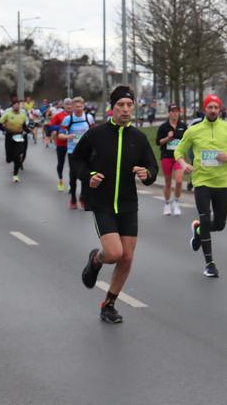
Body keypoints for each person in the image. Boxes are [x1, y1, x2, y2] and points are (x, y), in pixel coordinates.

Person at [75, 85, 158, 324]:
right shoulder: (96, 134)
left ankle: (108, 304)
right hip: (101, 202)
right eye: (120, 105)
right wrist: (88, 175)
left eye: (129, 105)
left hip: (128, 204)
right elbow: (78, 159)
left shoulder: (139, 138)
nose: (125, 109)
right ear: (112, 108)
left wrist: (147, 174)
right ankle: (96, 260)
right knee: (113, 253)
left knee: (127, 258)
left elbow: (152, 167)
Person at [174, 94, 227, 278]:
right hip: (202, 181)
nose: (213, 110)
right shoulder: (194, 130)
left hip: (221, 182)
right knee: (205, 219)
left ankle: (198, 231)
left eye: (216, 107)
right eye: (209, 107)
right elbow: (179, 151)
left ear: (220, 109)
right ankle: (210, 264)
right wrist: (184, 165)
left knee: (219, 224)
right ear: (204, 109)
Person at [58, 97, 95, 210]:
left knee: (85, 176)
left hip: (86, 151)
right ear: (72, 107)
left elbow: (94, 132)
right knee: (73, 176)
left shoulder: (89, 118)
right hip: (72, 151)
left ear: (83, 106)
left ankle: (82, 198)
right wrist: (69, 136)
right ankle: (73, 198)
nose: (78, 109)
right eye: (76, 107)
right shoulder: (68, 119)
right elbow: (60, 135)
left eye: (80, 106)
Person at [156, 104, 187, 216]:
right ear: (169, 113)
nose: (175, 114)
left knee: (179, 181)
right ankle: (167, 204)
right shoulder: (163, 127)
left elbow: (188, 141)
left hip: (179, 157)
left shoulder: (183, 126)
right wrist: (167, 138)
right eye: (173, 111)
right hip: (167, 156)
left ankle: (176, 202)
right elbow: (158, 142)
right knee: (168, 181)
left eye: (177, 111)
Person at [0, 98, 29, 182]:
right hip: (9, 137)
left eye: (18, 105)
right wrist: (6, 130)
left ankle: (15, 175)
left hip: (19, 137)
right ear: (12, 106)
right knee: (9, 159)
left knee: (17, 155)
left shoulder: (22, 115)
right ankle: (9, 158)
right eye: (15, 105)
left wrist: (27, 130)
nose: (17, 106)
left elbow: (25, 126)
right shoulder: (7, 114)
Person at [48, 98, 73, 191]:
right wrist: (61, 127)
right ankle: (60, 180)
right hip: (61, 142)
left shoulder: (76, 116)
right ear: (64, 106)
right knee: (61, 163)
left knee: (72, 164)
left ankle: (71, 183)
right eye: (67, 104)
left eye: (71, 104)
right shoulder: (59, 115)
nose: (69, 106)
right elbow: (50, 126)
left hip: (72, 143)